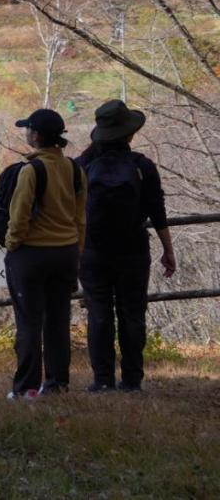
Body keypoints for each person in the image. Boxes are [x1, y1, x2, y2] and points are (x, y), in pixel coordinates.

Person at [77, 99, 175, 393]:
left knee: (99, 313)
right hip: (133, 249)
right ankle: (132, 380)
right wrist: (168, 250)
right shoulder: (142, 166)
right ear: (129, 134)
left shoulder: (83, 165)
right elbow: (157, 212)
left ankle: (103, 380)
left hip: (92, 250)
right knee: (132, 313)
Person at [4, 108, 86, 400]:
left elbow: (19, 215)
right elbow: (80, 217)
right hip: (65, 252)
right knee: (57, 321)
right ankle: (56, 384)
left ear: (36, 136)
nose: (27, 134)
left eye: (28, 130)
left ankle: (26, 387)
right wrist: (76, 248)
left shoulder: (31, 170)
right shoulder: (74, 169)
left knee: (29, 322)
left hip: (32, 254)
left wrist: (12, 244)